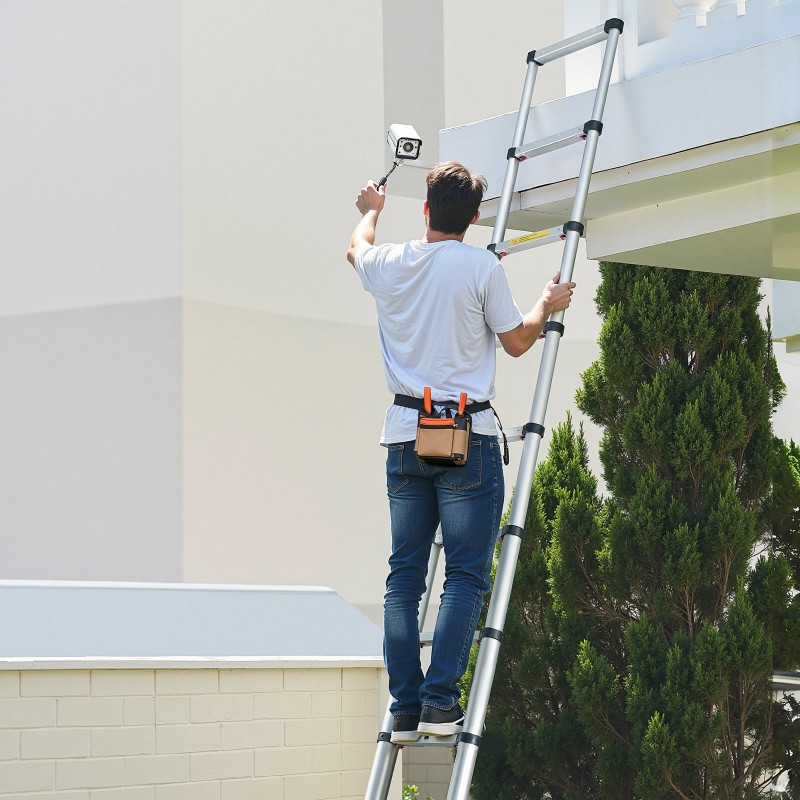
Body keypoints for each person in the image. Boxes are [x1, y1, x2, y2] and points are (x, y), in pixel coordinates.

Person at [346, 161, 575, 743]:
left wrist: (373, 208)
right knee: (466, 576)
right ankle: (440, 703)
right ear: (474, 218)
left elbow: (355, 249)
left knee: (403, 579)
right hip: (465, 434)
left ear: (425, 210)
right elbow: (519, 343)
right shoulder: (480, 267)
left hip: (403, 432)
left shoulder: (390, 262)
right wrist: (546, 304)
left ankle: (404, 707)